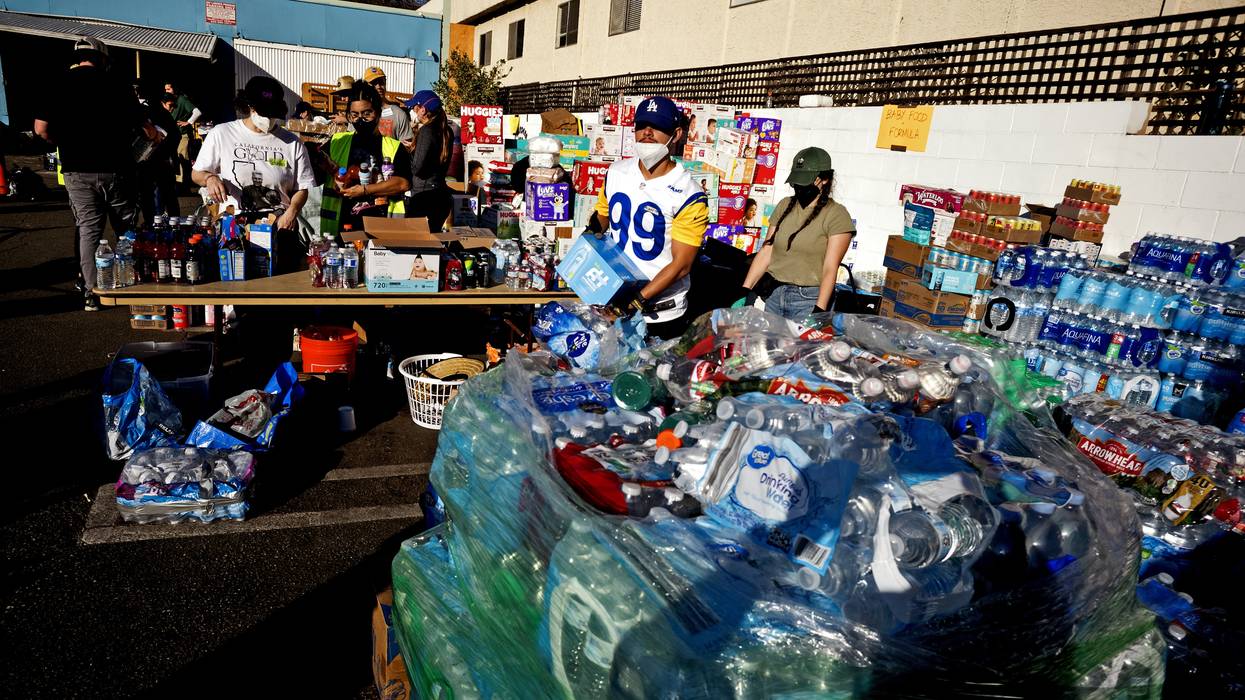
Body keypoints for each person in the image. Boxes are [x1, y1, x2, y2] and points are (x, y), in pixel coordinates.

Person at [34, 36, 156, 311]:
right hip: (117, 169)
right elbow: (146, 128)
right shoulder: (117, 84)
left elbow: (40, 129)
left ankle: (91, 293)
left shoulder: (57, 83)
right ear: (102, 58)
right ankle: (133, 285)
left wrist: (63, 141)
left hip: (77, 170)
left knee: (89, 230)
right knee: (125, 228)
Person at [589, 96, 709, 339]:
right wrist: (587, 242)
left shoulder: (689, 192)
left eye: (658, 127)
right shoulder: (616, 172)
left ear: (676, 134)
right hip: (614, 300)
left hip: (660, 314)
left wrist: (636, 302)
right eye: (642, 125)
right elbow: (602, 216)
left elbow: (681, 265)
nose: (647, 132)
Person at [192, 76, 317, 233]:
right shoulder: (222, 133)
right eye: (265, 113)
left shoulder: (292, 143)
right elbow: (196, 174)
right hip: (234, 225)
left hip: (278, 224)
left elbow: (302, 187)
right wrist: (210, 178)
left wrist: (292, 211)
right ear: (250, 107)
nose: (269, 119)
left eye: (273, 114)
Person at [742, 147, 855, 320]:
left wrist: (819, 310)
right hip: (774, 294)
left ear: (825, 179)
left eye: (805, 181)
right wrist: (745, 291)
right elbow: (767, 250)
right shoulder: (784, 205)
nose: (799, 187)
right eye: (797, 182)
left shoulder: (836, 214)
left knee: (799, 340)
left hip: (807, 300)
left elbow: (830, 268)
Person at [320, 83, 411, 235]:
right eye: (354, 115)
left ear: (378, 113)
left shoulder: (394, 147)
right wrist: (328, 167)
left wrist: (364, 191)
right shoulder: (337, 142)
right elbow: (316, 168)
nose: (360, 120)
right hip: (341, 226)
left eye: (367, 114)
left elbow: (402, 183)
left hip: (382, 227)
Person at [403, 90, 454, 232]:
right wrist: (415, 148)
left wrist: (409, 154)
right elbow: (435, 156)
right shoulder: (446, 130)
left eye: (414, 108)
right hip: (441, 194)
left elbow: (417, 168)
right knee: (433, 240)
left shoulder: (426, 130)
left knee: (416, 241)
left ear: (423, 110)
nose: (412, 111)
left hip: (424, 196)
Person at [135, 90, 181, 222]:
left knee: (151, 198)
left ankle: (153, 224)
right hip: (160, 162)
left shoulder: (139, 112)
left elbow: (175, 136)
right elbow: (176, 136)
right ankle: (170, 224)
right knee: (164, 197)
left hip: (149, 164)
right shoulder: (160, 112)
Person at [362, 67, 414, 146]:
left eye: (381, 82)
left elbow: (407, 146)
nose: (378, 86)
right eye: (374, 83)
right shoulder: (359, 112)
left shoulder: (398, 114)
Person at [163, 81, 201, 186]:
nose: (167, 91)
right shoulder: (169, 100)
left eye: (169, 89)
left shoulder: (182, 100)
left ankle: (182, 184)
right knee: (176, 158)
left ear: (174, 88)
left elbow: (197, 112)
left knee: (182, 158)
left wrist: (188, 122)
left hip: (183, 135)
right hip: (174, 136)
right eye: (165, 89)